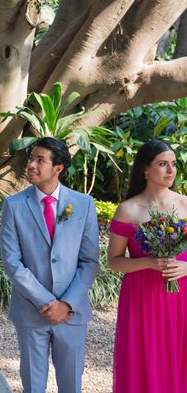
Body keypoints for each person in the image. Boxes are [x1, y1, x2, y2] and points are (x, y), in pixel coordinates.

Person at [0, 137, 100, 393]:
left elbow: (89, 261)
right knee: (33, 385)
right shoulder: (13, 205)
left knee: (71, 385)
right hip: (31, 311)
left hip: (71, 312)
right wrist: (47, 302)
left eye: (39, 160)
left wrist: (66, 304)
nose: (31, 164)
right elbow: (12, 262)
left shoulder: (83, 204)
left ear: (58, 168)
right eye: (31, 158)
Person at [108, 139, 187, 393]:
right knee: (144, 359)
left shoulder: (186, 204)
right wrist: (148, 262)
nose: (171, 171)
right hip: (142, 299)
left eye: (173, 164)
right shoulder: (128, 210)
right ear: (145, 169)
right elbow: (114, 261)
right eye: (163, 164)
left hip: (182, 297)